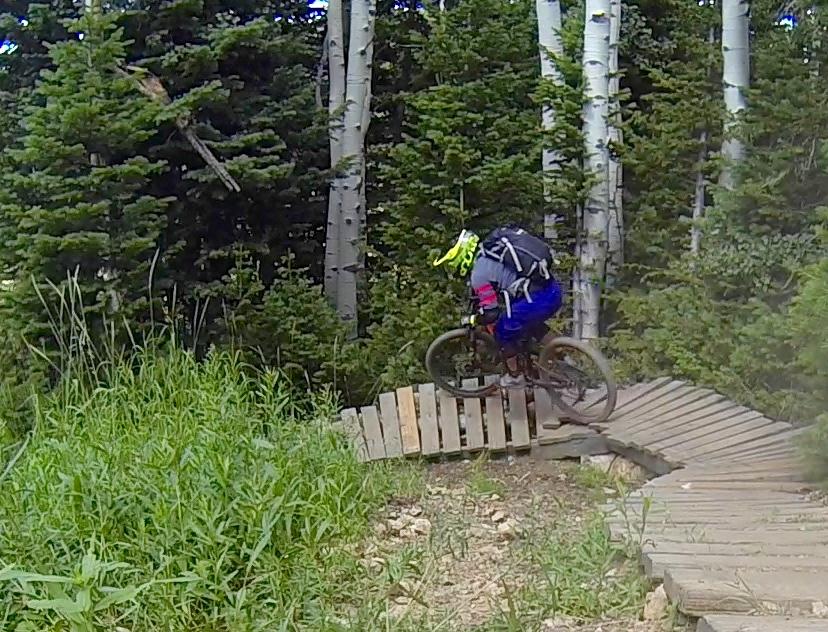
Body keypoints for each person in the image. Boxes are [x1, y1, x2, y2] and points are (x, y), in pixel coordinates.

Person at [433, 226, 563, 387]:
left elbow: (491, 314)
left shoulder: (478, 275)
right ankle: (566, 354)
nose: (453, 270)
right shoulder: (490, 252)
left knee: (502, 331)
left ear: (461, 257)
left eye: (452, 265)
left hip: (537, 300)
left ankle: (515, 377)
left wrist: (473, 319)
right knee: (526, 322)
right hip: (553, 290)